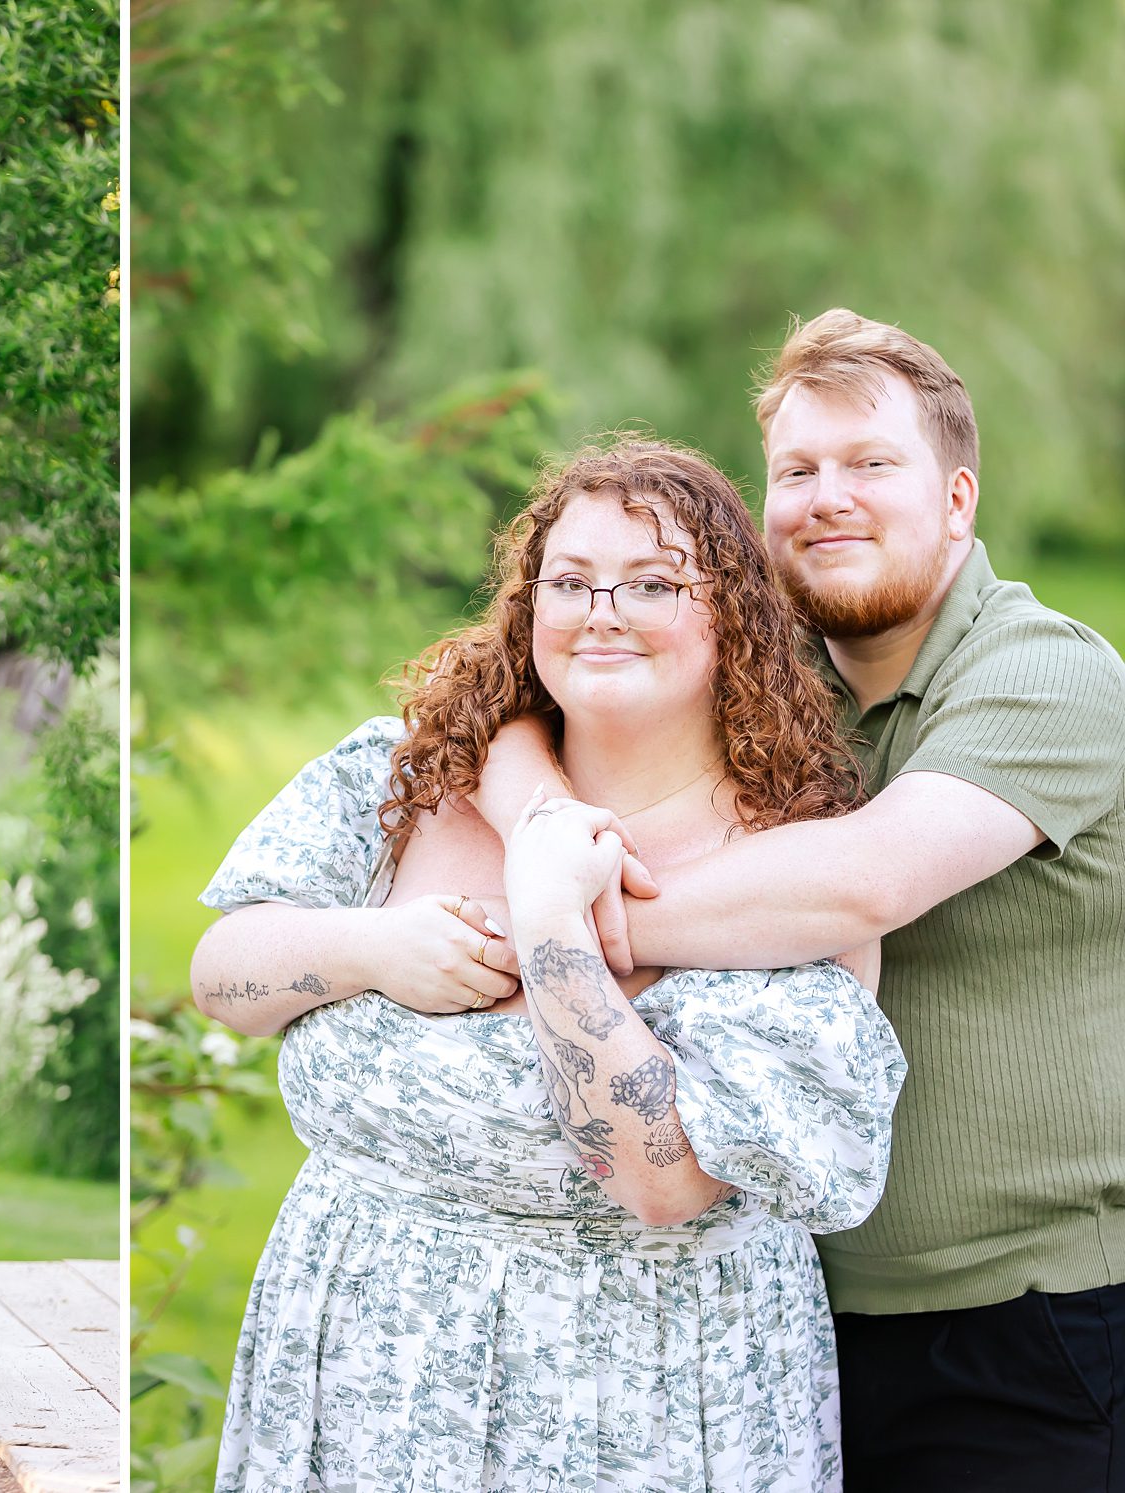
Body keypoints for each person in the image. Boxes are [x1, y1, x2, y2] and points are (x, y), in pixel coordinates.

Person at [461, 311, 1125, 1491]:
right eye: (796, 471)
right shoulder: (778, 685)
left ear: (958, 497)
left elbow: (858, 881)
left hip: (1030, 1324)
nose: (828, 497)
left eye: (870, 464)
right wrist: (534, 828)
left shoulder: (1047, 675)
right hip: (798, 1313)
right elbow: (521, 698)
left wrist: (551, 924)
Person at [195, 440, 907, 1491]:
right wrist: (372, 947)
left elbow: (659, 1177)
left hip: (637, 1393)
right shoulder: (405, 774)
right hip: (360, 1358)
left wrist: (549, 921)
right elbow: (221, 978)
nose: (600, 609)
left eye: (652, 583)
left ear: (735, 622)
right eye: (567, 581)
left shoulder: (794, 867)